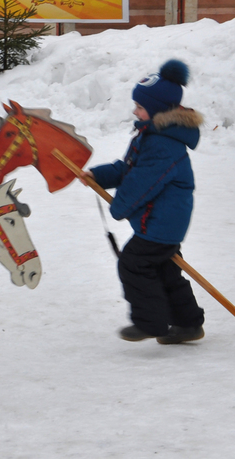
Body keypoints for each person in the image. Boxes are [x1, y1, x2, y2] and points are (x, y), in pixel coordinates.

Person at [81, 59, 205, 344]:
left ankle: (150, 322)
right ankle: (188, 324)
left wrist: (119, 207)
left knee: (133, 264)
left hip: (161, 224)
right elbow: (128, 170)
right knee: (166, 271)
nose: (134, 110)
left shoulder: (162, 144)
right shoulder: (151, 135)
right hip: (164, 222)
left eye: (139, 106)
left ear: (158, 110)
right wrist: (98, 176)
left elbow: (140, 184)